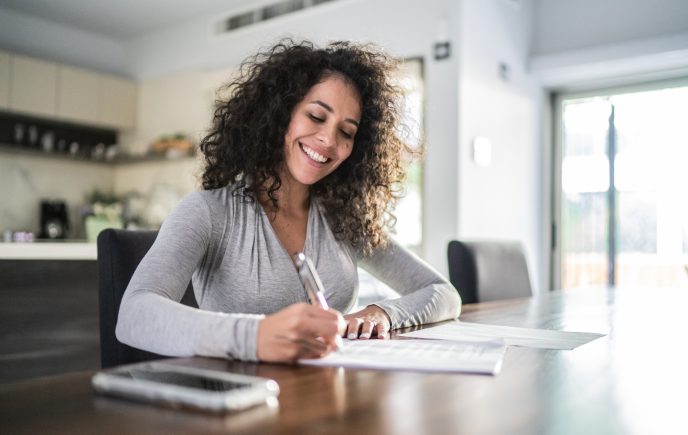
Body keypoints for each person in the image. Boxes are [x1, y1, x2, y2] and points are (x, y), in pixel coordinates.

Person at [116, 39, 461, 363]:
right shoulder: (208, 213)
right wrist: (255, 335)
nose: (328, 139)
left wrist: (384, 313)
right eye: (316, 116)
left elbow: (442, 293)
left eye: (347, 132)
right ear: (280, 114)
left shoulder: (344, 219)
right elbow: (134, 313)